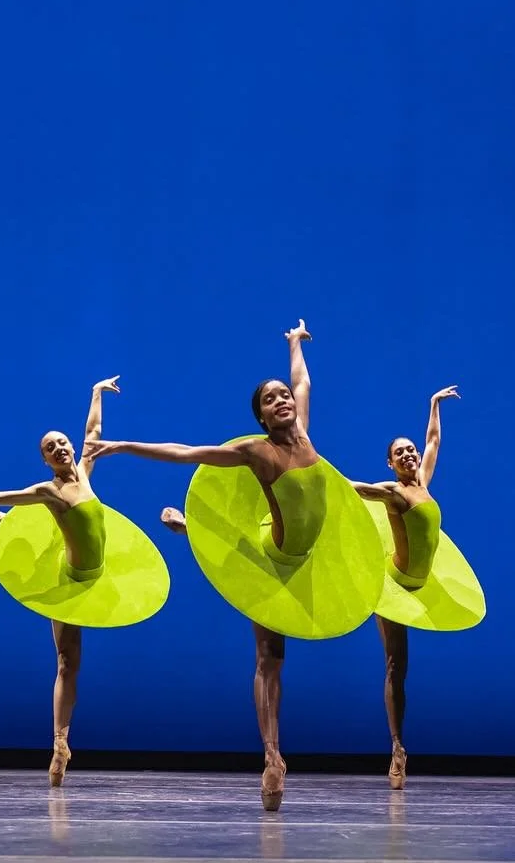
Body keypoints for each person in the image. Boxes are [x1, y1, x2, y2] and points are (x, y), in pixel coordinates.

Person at [86, 320, 383, 811]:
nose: (282, 399)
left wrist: (294, 343)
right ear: (261, 417)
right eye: (270, 399)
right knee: (270, 658)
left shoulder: (304, 435)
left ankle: (191, 529)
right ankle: (272, 756)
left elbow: (303, 381)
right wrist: (122, 446)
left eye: (282, 395)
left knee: (278, 648)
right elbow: (187, 453)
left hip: (308, 554)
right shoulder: (257, 452)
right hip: (273, 559)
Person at [0, 376, 169, 788]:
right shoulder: (48, 491)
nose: (60, 448)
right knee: (68, 662)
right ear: (46, 461)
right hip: (68, 581)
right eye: (51, 448)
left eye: (62, 442)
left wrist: (96, 393)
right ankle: (60, 743)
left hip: (99, 574)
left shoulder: (85, 472)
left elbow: (93, 431)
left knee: (44, 541)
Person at [349, 384, 486, 790]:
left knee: (403, 669)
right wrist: (310, 468)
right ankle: (397, 748)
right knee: (395, 667)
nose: (410, 455)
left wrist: (433, 405)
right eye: (401, 453)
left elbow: (433, 441)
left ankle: (398, 745)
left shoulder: (423, 482)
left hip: (422, 584)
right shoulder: (392, 492)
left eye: (410, 450)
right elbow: (352, 488)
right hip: (393, 586)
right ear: (390, 463)